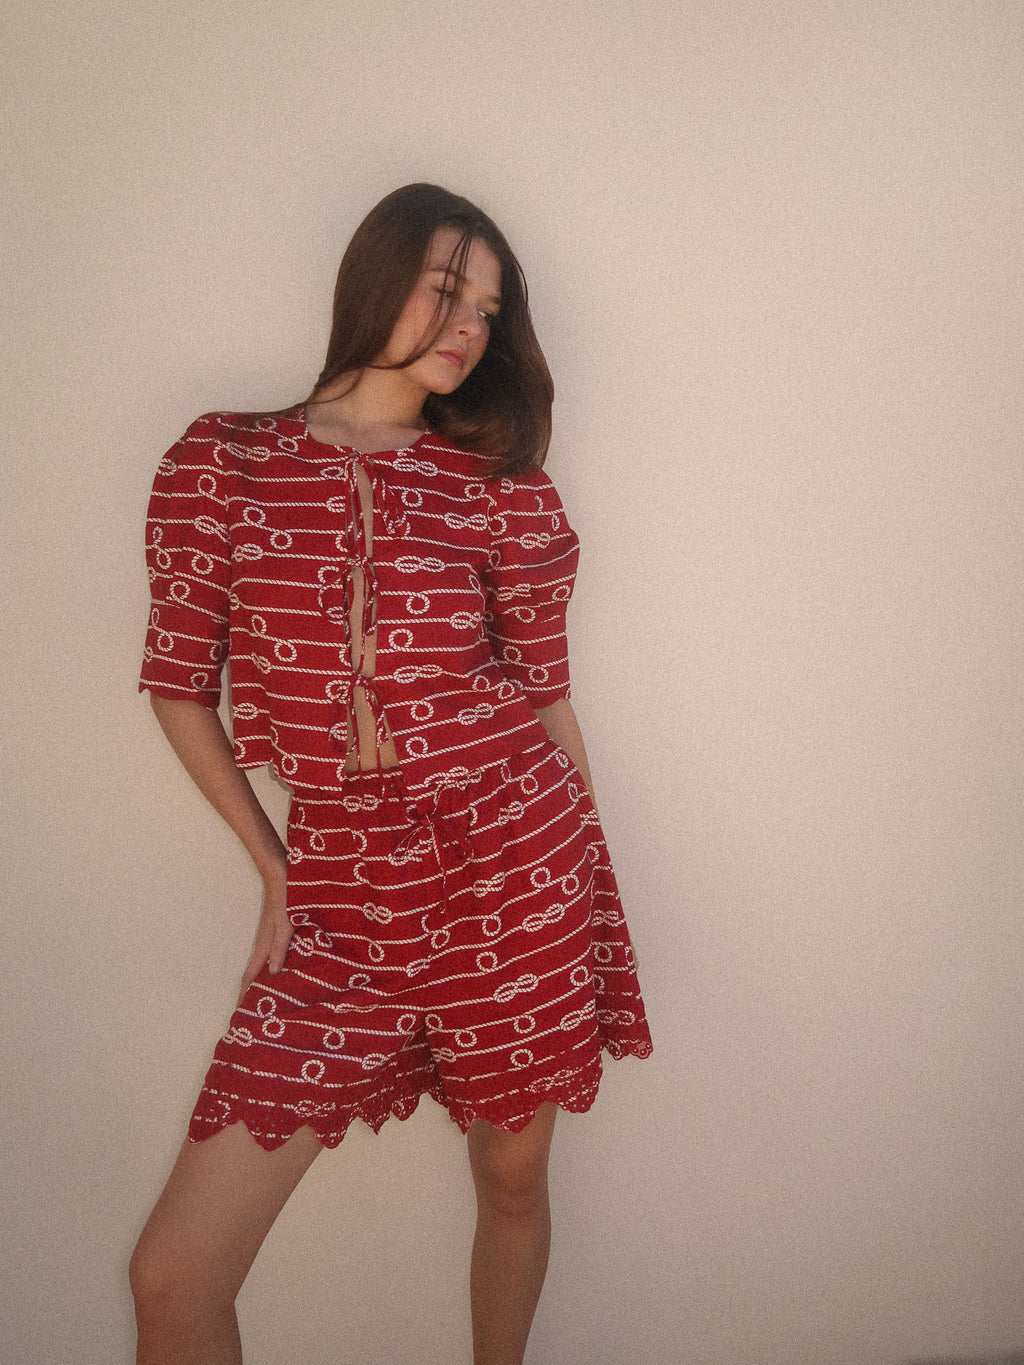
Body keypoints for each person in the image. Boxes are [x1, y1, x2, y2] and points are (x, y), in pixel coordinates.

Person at [129, 183, 652, 1365]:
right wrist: (274, 869)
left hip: (514, 855)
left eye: (487, 307)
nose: (469, 324)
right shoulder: (225, 459)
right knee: (172, 1280)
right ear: (375, 277)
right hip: (341, 885)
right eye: (445, 289)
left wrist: (586, 887)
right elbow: (175, 680)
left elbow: (545, 693)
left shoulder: (499, 488)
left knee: (510, 1181)